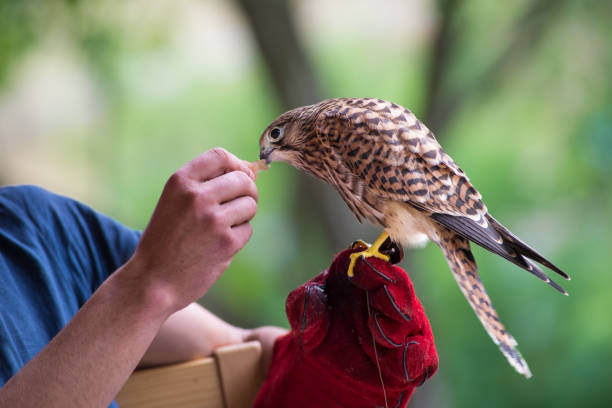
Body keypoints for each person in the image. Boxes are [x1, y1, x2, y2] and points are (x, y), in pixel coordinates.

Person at [0, 148, 286, 407]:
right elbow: (151, 283)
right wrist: (154, 283)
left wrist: (313, 356)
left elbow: (247, 346)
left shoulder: (37, 227)